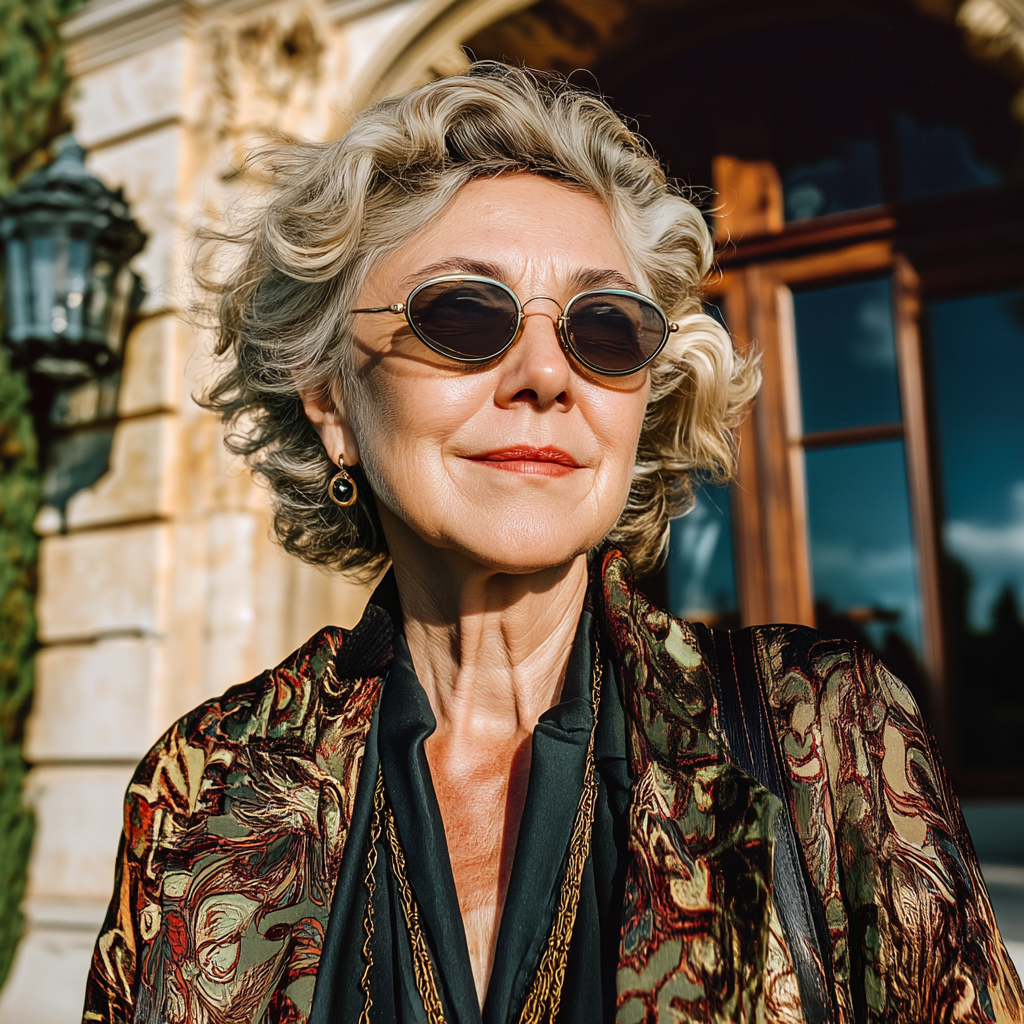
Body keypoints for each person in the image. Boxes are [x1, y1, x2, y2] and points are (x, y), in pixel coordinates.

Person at [82, 63, 1022, 1024]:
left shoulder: (824, 732)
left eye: (605, 328)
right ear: (331, 401)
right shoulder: (201, 790)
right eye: (461, 313)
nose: (545, 374)